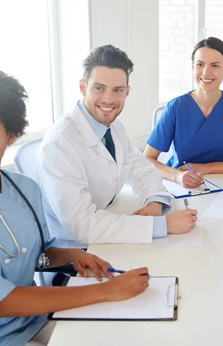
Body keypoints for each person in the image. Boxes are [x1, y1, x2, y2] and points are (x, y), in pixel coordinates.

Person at [0, 68, 150, 346]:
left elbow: (36, 256)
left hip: (30, 321)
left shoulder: (23, 187)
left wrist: (71, 256)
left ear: (10, 135)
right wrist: (109, 291)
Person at [38, 45, 197, 247]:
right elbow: (82, 226)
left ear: (127, 92)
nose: (108, 99)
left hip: (110, 230)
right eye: (99, 88)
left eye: (117, 90)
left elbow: (140, 169)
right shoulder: (59, 144)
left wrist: (155, 203)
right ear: (82, 87)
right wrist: (162, 225)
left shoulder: (113, 127)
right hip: (76, 251)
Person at [144, 37, 223, 188]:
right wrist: (178, 176)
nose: (206, 72)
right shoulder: (176, 107)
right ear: (193, 67)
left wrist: (206, 168)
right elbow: (148, 158)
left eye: (215, 65)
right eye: (200, 64)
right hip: (181, 185)